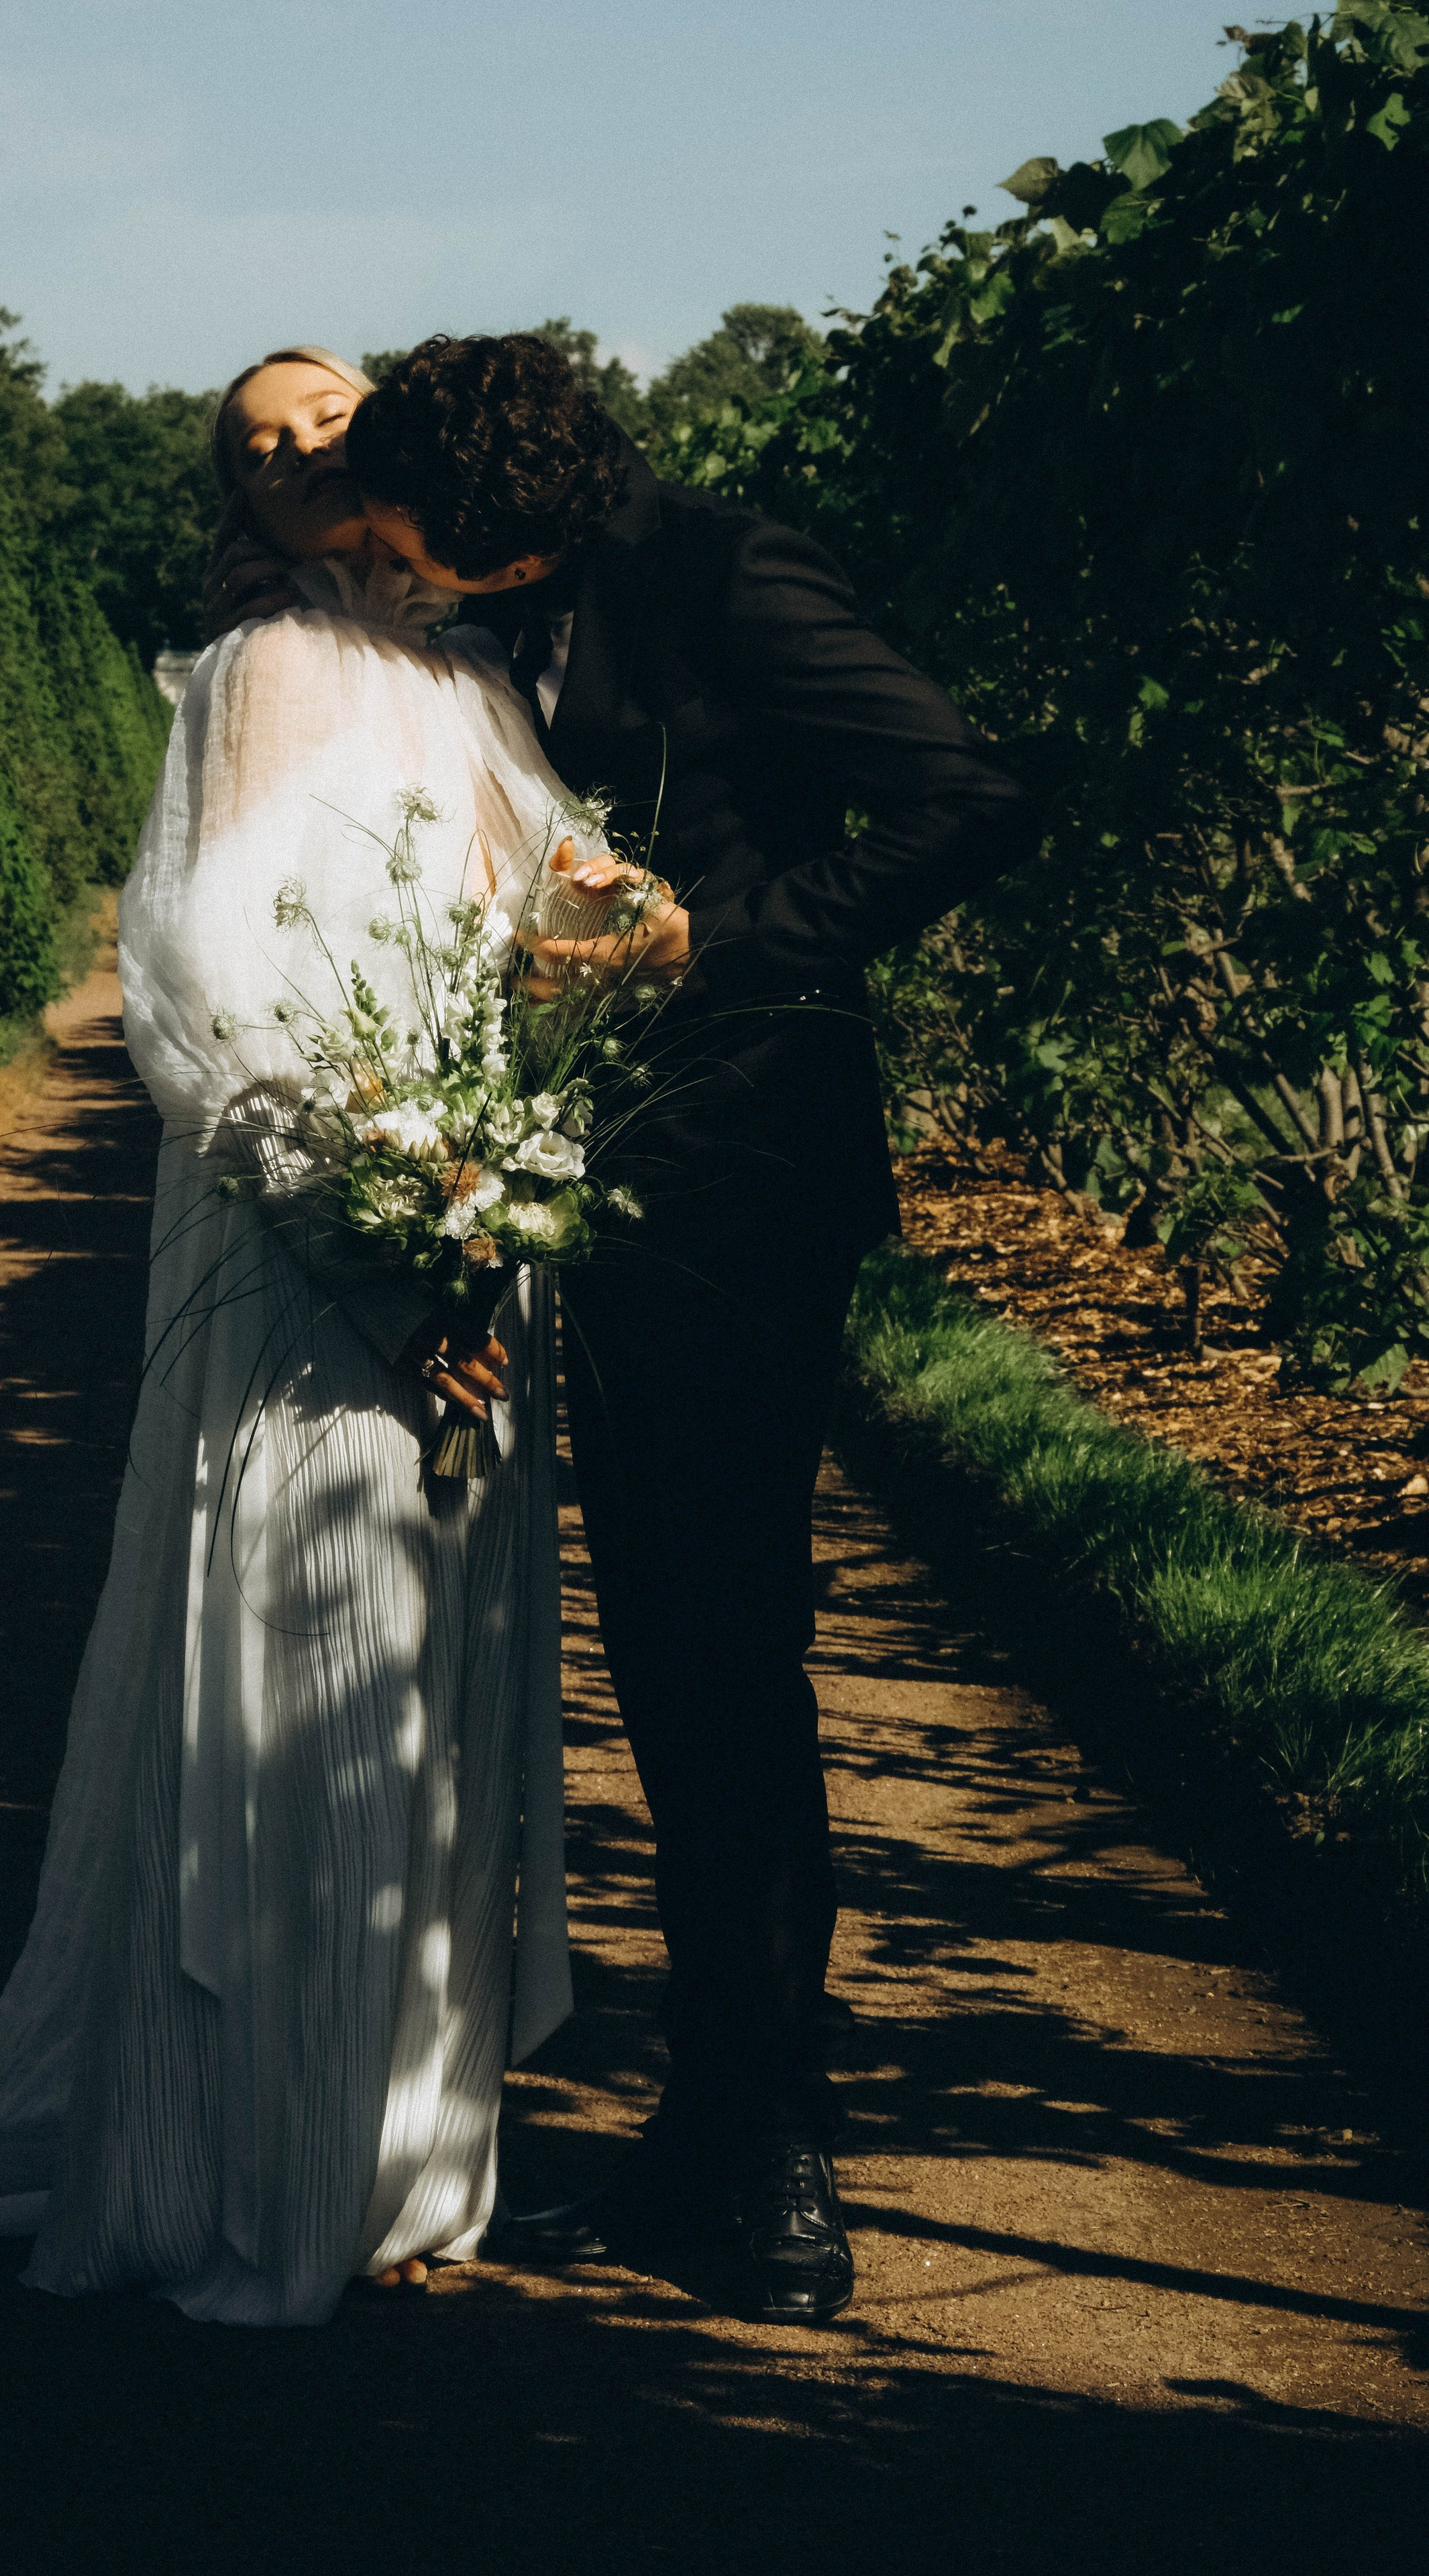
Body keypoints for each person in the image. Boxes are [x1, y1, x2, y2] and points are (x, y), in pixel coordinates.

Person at [0, 348, 603, 2326]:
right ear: (241, 506)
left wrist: (601, 956)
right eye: (258, 443)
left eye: (326, 410)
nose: (299, 446)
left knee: (435, 1691)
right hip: (332, 1252)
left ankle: (407, 2156)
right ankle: (263, 2158)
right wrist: (382, 1243)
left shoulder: (476, 677)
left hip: (477, 1236)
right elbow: (209, 986)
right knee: (319, 1667)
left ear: (393, 436)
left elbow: (539, 919)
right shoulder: (262, 676)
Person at [348, 333, 1037, 2324]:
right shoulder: (521, 615)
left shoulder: (735, 573)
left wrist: (717, 947)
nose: (394, 560)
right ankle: (702, 2138)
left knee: (727, 1657)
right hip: (593, 1190)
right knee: (661, 1651)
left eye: (410, 531)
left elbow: (980, 794)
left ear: (490, 511)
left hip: (741, 1180)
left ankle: (777, 2162)